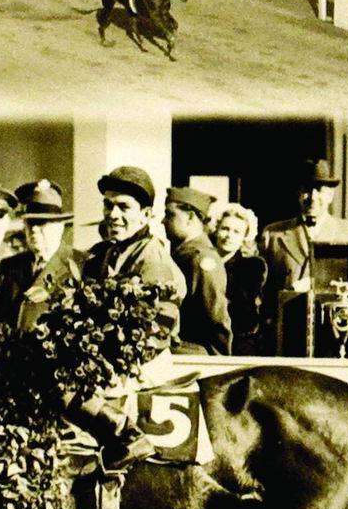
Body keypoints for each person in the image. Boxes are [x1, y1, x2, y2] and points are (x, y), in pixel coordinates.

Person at [75, 166, 185, 464]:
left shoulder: (152, 259)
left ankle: (128, 437)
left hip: (142, 364)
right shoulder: (108, 252)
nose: (113, 214)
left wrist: (112, 367)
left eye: (124, 207)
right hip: (112, 358)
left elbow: (159, 329)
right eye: (108, 205)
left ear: (146, 214)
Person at [261, 158, 344, 350]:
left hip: (333, 333)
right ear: (298, 193)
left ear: (330, 195)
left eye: (320, 190)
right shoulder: (273, 234)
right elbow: (261, 289)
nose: (313, 197)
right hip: (286, 333)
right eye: (307, 189)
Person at [0, 180, 81, 331]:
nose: (35, 230)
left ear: (60, 226)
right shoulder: (10, 266)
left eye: (42, 222)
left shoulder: (80, 264)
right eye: (30, 223)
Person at [163, 185, 232, 354]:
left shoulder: (201, 259)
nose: (163, 221)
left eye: (170, 215)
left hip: (195, 357)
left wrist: (218, 364)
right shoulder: (183, 254)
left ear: (190, 217)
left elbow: (215, 317)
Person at [210, 202, 270, 353]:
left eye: (236, 232)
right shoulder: (203, 260)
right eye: (225, 229)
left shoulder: (251, 267)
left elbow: (245, 313)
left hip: (238, 342)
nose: (229, 236)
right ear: (216, 229)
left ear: (244, 237)